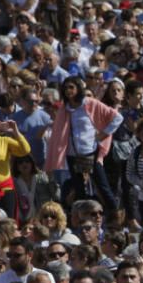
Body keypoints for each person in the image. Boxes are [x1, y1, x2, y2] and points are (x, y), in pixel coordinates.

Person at [44, 76, 120, 210]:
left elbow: (117, 118)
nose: (68, 90)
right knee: (80, 190)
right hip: (73, 154)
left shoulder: (89, 103)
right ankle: (84, 217)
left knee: (102, 186)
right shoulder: (64, 108)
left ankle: (115, 215)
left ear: (78, 88)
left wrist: (103, 134)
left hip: (90, 152)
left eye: (71, 87)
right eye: (66, 88)